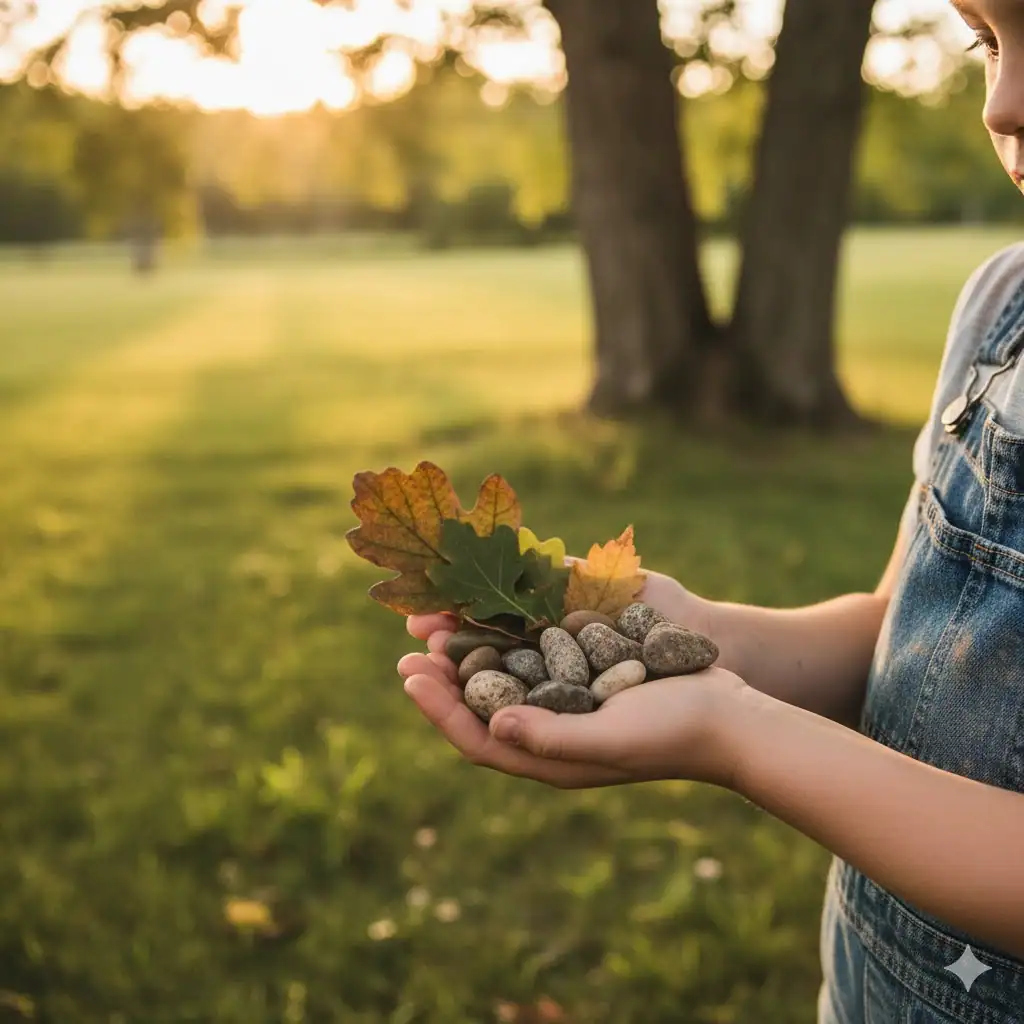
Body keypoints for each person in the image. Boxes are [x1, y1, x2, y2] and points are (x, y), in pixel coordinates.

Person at [398, 1, 1024, 1019]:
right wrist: (710, 639)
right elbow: (912, 633)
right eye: (987, 41)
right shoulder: (1001, 309)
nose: (1002, 102)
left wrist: (735, 735)